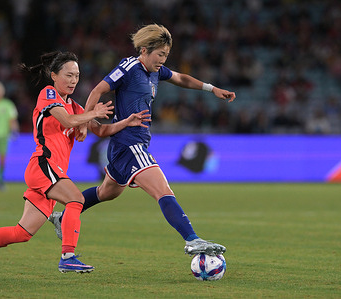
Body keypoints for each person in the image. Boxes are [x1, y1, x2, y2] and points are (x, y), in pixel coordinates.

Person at [0, 51, 151, 273]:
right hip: (42, 164)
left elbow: (103, 129)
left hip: (51, 172)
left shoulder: (76, 106)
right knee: (76, 199)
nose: (73, 80)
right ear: (54, 75)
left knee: (22, 233)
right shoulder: (48, 94)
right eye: (68, 75)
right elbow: (67, 120)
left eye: (76, 75)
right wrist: (91, 114)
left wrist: (126, 122)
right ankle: (67, 256)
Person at [49, 24, 236, 257]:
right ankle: (192, 239)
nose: (163, 60)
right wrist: (86, 123)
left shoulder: (156, 71)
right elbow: (98, 90)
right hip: (129, 144)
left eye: (166, 55)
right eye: (160, 54)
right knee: (163, 190)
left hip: (128, 145)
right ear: (145, 50)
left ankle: (63, 216)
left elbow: (181, 78)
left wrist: (211, 88)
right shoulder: (128, 67)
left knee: (107, 192)